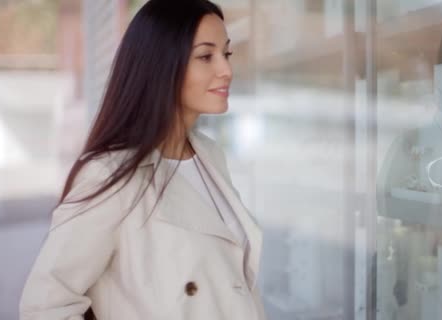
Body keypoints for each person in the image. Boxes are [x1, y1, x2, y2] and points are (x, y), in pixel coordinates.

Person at [19, 1, 266, 319]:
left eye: (226, 54)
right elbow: (45, 305)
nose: (226, 70)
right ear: (161, 64)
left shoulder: (210, 156)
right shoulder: (111, 175)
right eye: (206, 56)